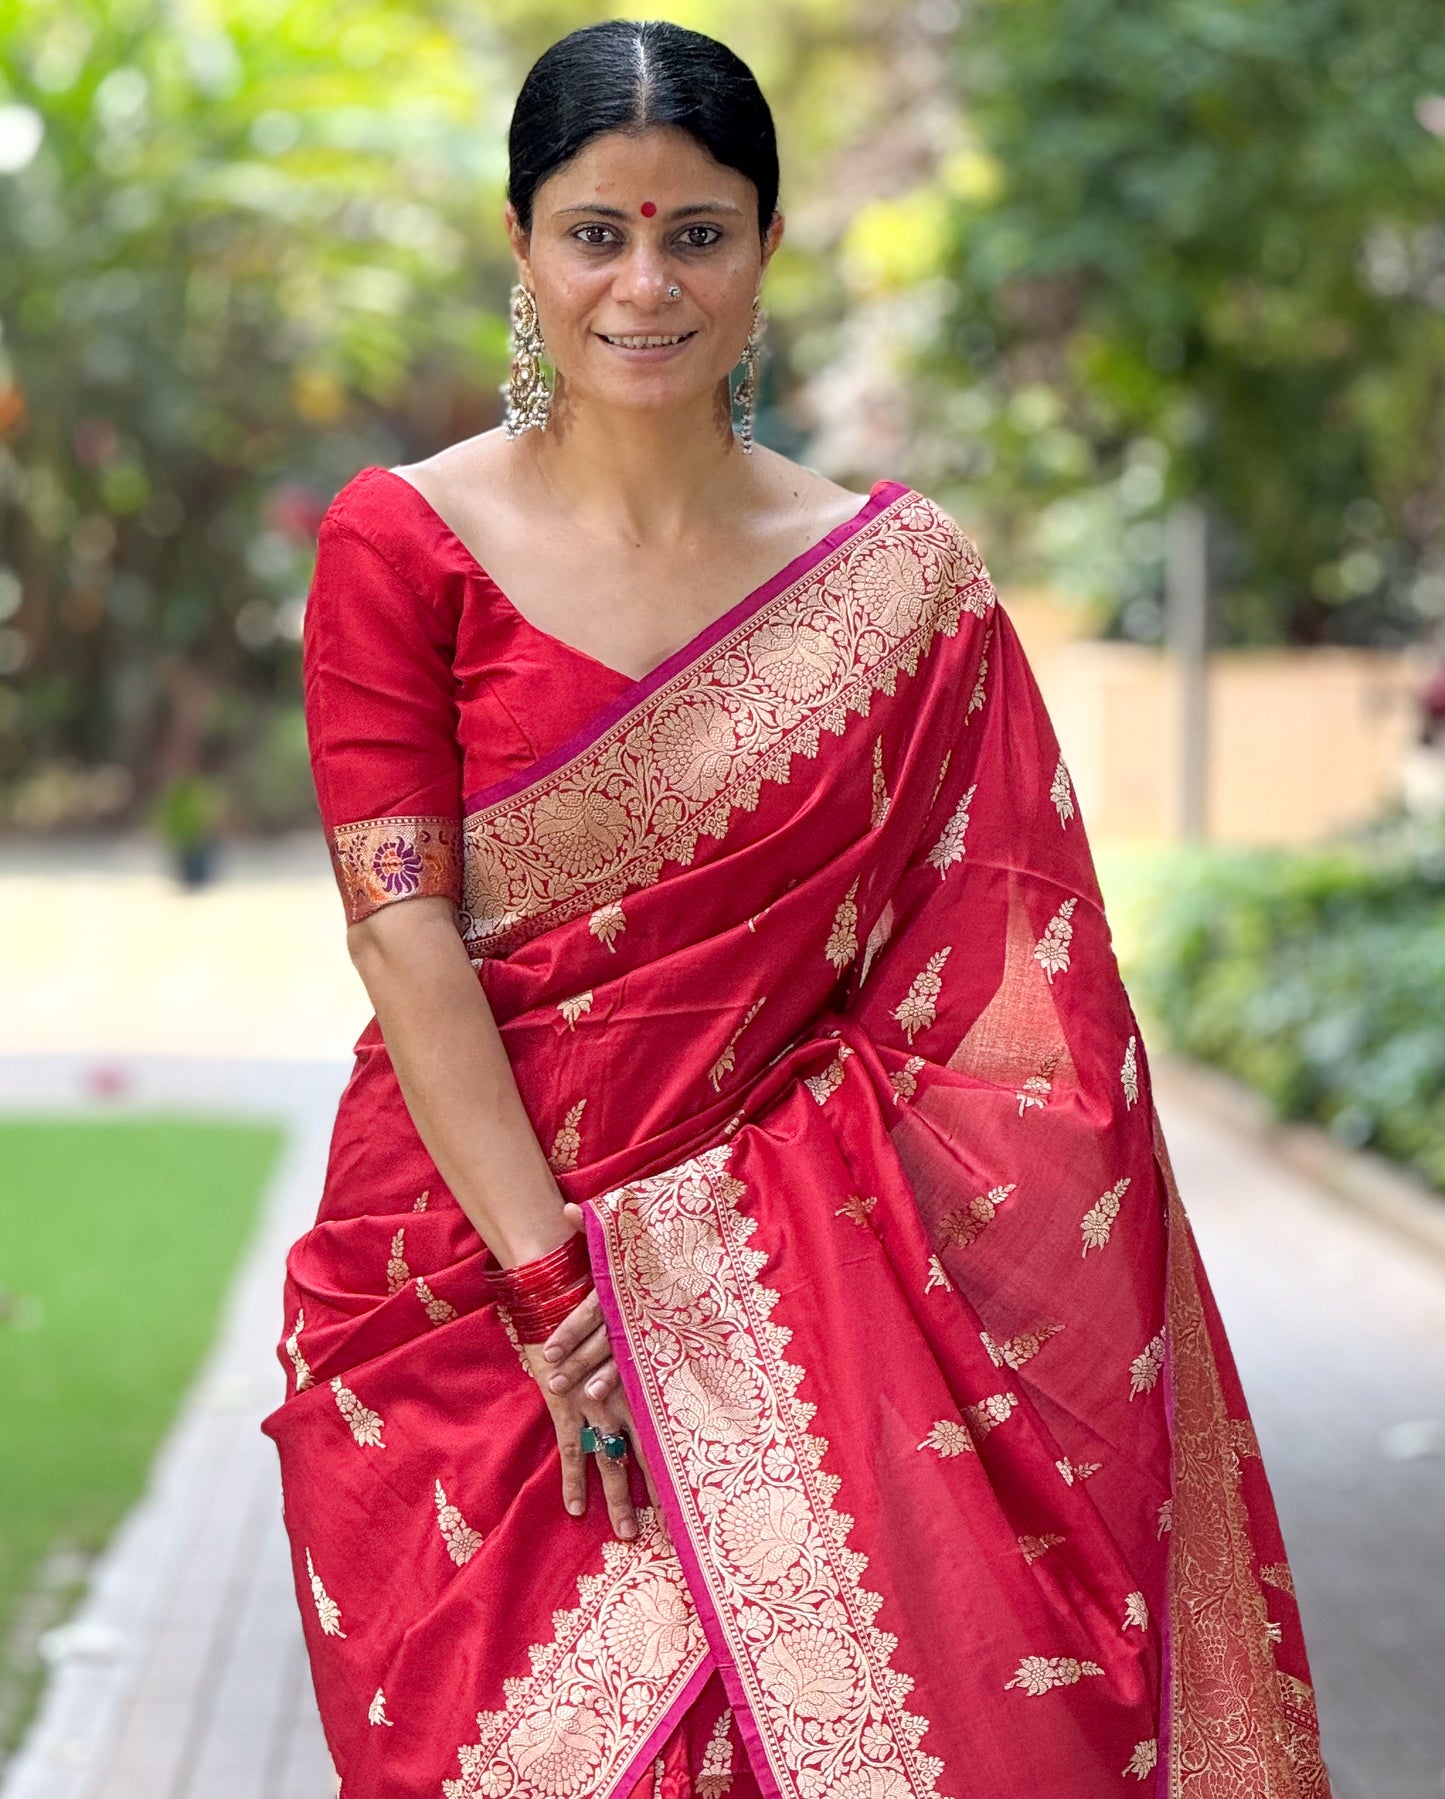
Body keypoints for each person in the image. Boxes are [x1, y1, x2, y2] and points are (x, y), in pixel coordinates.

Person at [262, 21, 1331, 1799]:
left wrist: (751, 1250)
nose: (645, 285)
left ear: (764, 253)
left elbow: (1004, 975)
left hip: (815, 1299)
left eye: (699, 232)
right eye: (596, 231)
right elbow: (400, 931)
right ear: (522, 247)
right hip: (462, 1277)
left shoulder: (894, 584)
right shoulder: (401, 542)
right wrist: (554, 1283)